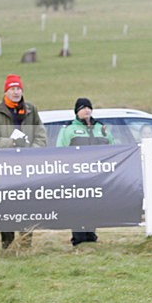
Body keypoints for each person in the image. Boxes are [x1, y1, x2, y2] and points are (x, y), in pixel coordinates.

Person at [0, 73, 47, 249]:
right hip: (5, 168)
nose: (16, 92)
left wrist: (32, 152)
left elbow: (41, 136)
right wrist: (11, 142)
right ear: (6, 91)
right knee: (6, 206)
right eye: (12, 88)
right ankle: (8, 245)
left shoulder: (31, 110)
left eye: (18, 88)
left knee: (27, 205)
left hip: (27, 168)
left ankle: (26, 244)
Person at [56, 97, 115, 246]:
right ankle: (78, 238)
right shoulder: (68, 129)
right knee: (77, 207)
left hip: (96, 176)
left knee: (93, 206)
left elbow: (113, 148)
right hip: (76, 176)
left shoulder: (101, 128)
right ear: (77, 111)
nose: (86, 110)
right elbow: (60, 151)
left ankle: (91, 235)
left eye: (88, 107)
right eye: (83, 108)